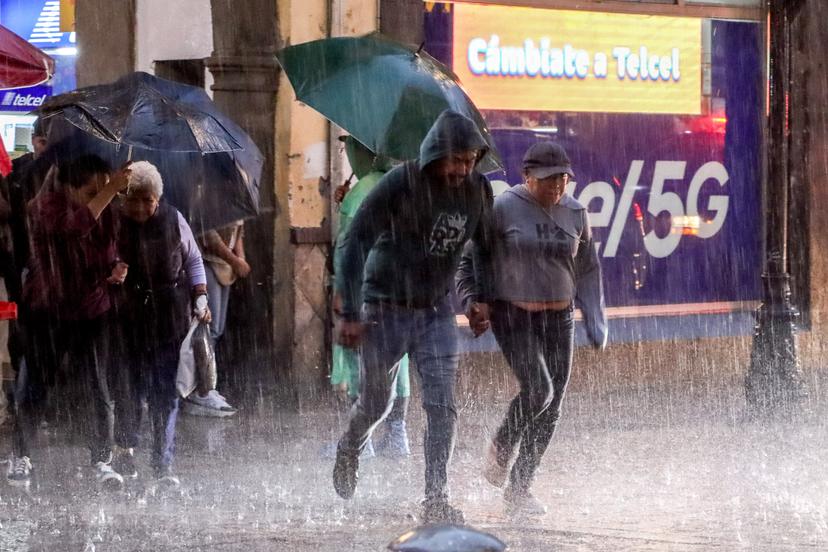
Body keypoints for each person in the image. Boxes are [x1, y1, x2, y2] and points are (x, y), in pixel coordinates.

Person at [332, 110, 493, 524]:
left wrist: (480, 299)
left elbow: (485, 249)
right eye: (456, 159)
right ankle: (350, 446)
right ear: (435, 153)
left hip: (436, 310)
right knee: (376, 402)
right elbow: (354, 245)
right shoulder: (400, 184)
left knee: (442, 404)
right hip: (385, 307)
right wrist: (350, 311)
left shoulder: (478, 191)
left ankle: (436, 496)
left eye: (471, 160)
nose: (463, 169)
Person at [456, 142, 607, 516]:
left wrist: (595, 316)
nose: (556, 186)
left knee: (553, 404)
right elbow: (472, 259)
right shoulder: (504, 207)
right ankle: (503, 444)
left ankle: (520, 487)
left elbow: (588, 268)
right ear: (527, 177)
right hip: (514, 313)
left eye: (562, 178)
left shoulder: (576, 212)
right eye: (547, 179)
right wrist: (474, 301)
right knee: (539, 389)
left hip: (559, 317)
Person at [7, 154, 130, 488]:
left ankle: (102, 459)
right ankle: (22, 455)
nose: (100, 197)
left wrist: (117, 267)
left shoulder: (106, 212)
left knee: (97, 385)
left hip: (92, 309)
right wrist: (109, 191)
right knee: (36, 385)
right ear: (69, 189)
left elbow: (109, 250)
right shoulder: (45, 207)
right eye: (91, 191)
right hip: (49, 309)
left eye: (101, 191)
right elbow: (74, 227)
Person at [112, 161, 211, 488]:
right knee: (130, 389)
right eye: (133, 199)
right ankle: (126, 452)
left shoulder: (173, 219)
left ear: (158, 198)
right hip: (128, 314)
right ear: (123, 198)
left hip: (170, 313)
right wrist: (113, 269)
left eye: (148, 199)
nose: (140, 206)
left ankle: (162, 462)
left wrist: (201, 299)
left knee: (166, 391)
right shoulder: (114, 223)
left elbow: (194, 260)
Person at [329, 136, 411, 458]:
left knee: (359, 361)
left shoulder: (363, 190)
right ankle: (397, 434)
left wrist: (342, 290)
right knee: (396, 361)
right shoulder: (403, 185)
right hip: (397, 291)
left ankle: (361, 442)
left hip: (363, 291)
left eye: (352, 147)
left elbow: (349, 247)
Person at [184, 219, 248, 417]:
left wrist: (241, 259)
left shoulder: (235, 198)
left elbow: (239, 230)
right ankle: (199, 389)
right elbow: (208, 235)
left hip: (227, 268)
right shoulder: (209, 197)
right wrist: (235, 260)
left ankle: (206, 385)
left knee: (216, 329)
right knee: (206, 329)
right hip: (208, 263)